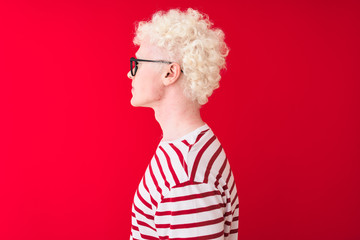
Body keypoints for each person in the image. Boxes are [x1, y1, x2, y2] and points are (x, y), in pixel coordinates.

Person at [127, 8, 239, 240]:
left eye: (137, 63)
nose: (130, 74)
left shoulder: (187, 178)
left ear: (170, 73)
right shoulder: (186, 147)